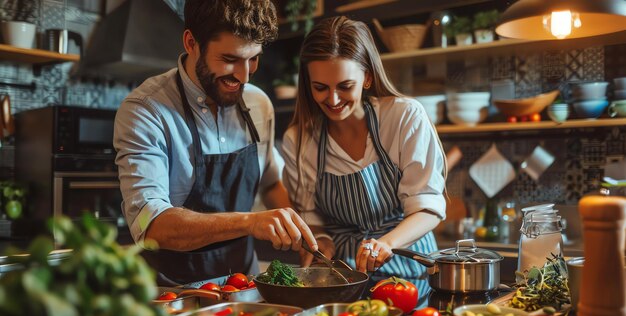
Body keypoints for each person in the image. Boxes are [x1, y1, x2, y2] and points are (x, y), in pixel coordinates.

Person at [114, 0, 317, 286]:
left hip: (244, 288)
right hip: (172, 296)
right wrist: (250, 222)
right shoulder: (146, 111)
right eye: (230, 59)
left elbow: (270, 182)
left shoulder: (258, 104)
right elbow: (152, 226)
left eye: (254, 58)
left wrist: (307, 233)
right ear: (190, 42)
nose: (244, 75)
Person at [282, 16, 447, 300]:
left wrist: (385, 244)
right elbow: (311, 217)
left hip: (411, 276)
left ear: (368, 77)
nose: (332, 99)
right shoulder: (299, 139)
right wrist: (321, 242)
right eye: (320, 87)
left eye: (345, 86)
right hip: (343, 278)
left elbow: (427, 208)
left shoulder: (403, 117)